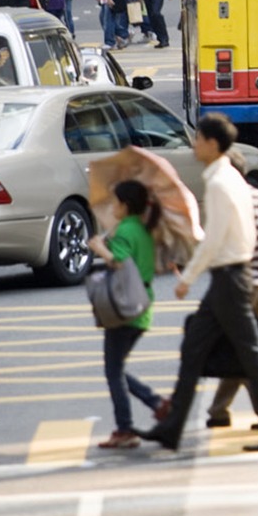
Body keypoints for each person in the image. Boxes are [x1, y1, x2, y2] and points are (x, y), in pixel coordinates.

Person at [136, 115, 258, 454]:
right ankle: (171, 428)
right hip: (230, 276)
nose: (194, 146)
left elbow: (213, 241)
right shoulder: (228, 178)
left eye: (197, 140)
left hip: (230, 278)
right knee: (194, 349)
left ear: (211, 143)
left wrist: (189, 277)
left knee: (252, 355)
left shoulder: (222, 183)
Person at [87, 180, 169, 449]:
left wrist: (100, 248)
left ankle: (125, 429)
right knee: (116, 368)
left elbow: (119, 263)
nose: (112, 207)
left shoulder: (124, 231)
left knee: (113, 371)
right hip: (142, 305)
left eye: (115, 202)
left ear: (125, 205)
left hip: (124, 308)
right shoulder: (144, 229)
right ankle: (155, 402)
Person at [207, 148, 258, 429]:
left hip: (243, 281)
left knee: (244, 349)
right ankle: (218, 410)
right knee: (238, 345)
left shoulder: (235, 197)